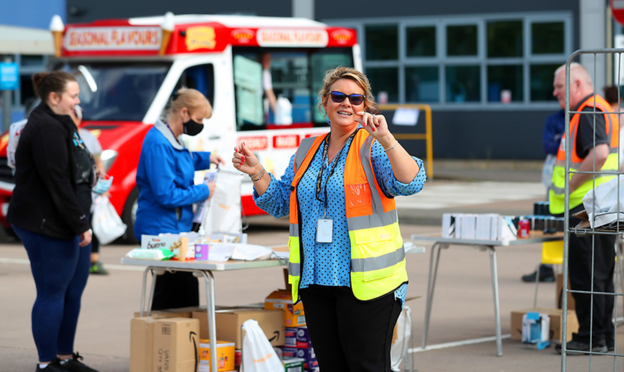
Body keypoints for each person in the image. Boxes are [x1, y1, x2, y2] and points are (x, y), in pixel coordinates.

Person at [232, 66, 426, 371]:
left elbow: (411, 182)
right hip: (316, 283)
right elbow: (281, 201)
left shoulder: (371, 146)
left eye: (356, 99)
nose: (346, 103)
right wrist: (256, 171)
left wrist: (387, 138)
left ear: (365, 107)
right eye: (338, 96)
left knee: (367, 367)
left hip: (367, 284)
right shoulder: (308, 148)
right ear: (324, 102)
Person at [7, 71, 99, 372]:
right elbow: (57, 181)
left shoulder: (62, 120)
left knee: (73, 291)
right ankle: (47, 364)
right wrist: (80, 224)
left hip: (69, 220)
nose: (78, 100)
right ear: (54, 97)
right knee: (52, 292)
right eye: (73, 95)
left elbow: (75, 169)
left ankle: (64, 356)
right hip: (46, 223)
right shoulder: (45, 126)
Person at [134, 88, 224, 310]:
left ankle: (180, 340)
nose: (200, 124)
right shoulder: (158, 142)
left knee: (185, 294)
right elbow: (166, 194)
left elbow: (181, 161)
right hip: (161, 231)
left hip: (175, 230)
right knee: (171, 297)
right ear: (184, 113)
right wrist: (204, 191)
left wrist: (206, 158)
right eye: (199, 119)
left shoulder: (173, 138)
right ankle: (166, 341)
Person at [550, 63, 619, 353]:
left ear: (577, 84)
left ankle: (588, 339)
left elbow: (600, 154)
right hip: (601, 205)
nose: (555, 93)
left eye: (559, 86)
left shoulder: (589, 111)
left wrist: (569, 186)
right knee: (600, 274)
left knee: (586, 276)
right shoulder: (601, 108)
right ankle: (601, 336)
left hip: (586, 207)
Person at [520, 109, 565, 283]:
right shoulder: (553, 120)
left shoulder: (585, 117)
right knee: (550, 223)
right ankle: (547, 267)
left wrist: (560, 141)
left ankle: (564, 266)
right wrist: (565, 143)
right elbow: (547, 146)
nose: (556, 92)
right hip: (556, 181)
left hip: (578, 181)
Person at [69, 105, 109, 275]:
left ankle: (93, 260)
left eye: (74, 115)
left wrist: (102, 183)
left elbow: (98, 161)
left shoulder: (87, 137)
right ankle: (76, 262)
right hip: (74, 191)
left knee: (93, 223)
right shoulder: (61, 136)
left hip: (89, 190)